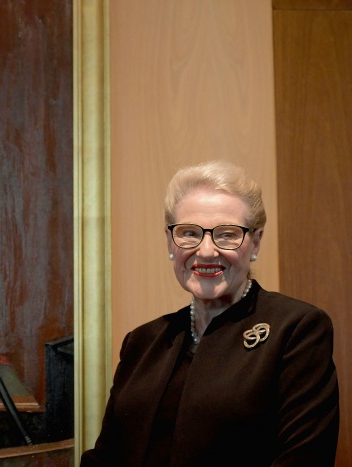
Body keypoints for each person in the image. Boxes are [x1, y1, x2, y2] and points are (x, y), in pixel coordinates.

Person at [81, 160, 339, 466]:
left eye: (227, 234)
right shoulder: (142, 341)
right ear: (169, 241)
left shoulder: (297, 329)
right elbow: (105, 458)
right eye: (189, 233)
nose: (205, 251)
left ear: (255, 242)